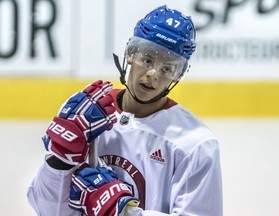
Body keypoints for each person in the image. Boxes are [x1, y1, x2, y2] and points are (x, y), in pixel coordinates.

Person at [27, 5, 223, 216]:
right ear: (130, 53)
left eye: (167, 68)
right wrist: (60, 161)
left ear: (177, 76)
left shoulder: (195, 144)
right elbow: (48, 211)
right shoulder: (88, 117)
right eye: (147, 59)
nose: (153, 74)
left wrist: (125, 213)